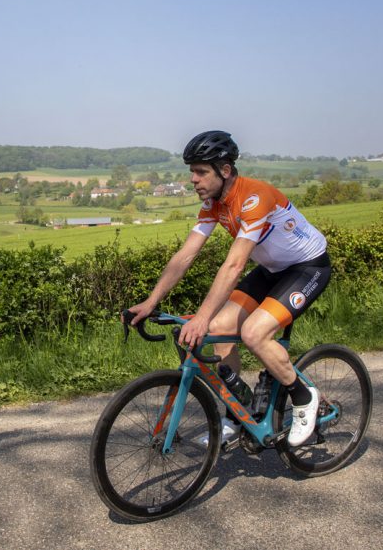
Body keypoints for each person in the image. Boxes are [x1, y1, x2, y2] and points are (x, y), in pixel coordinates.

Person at [127, 130, 331, 447]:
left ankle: (305, 398)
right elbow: (185, 256)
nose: (193, 179)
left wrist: (201, 317)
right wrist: (151, 301)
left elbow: (234, 265)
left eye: (201, 171)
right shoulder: (214, 204)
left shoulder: (255, 197)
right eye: (191, 171)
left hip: (308, 268)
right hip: (272, 271)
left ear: (224, 170)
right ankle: (239, 412)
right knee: (221, 328)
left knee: (253, 333)